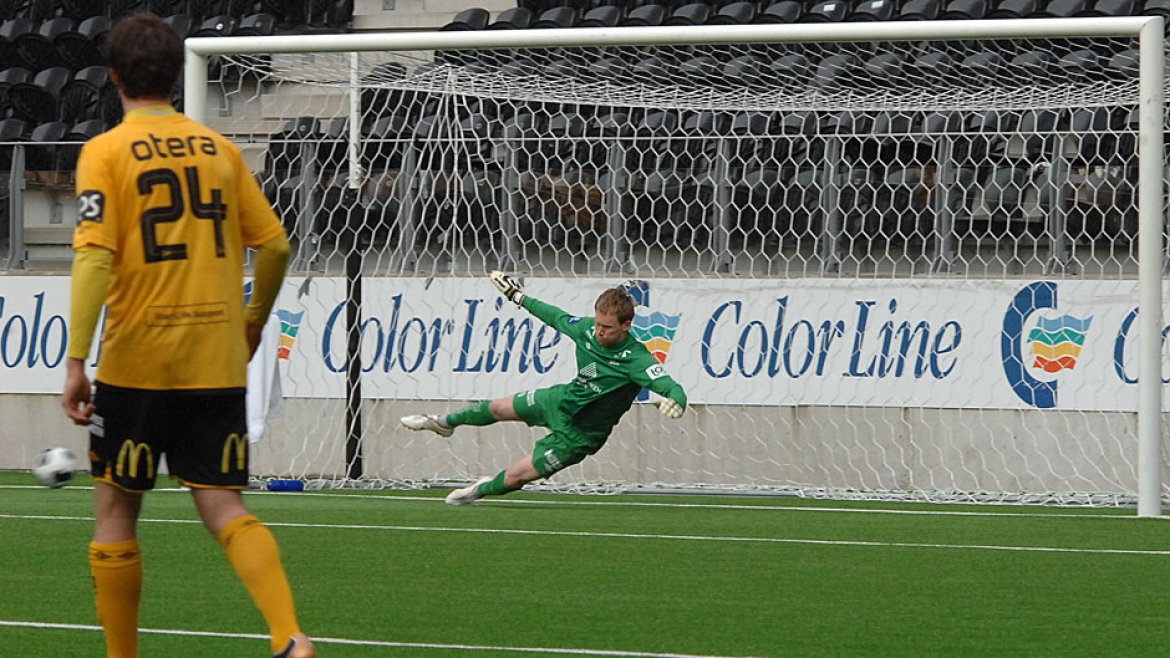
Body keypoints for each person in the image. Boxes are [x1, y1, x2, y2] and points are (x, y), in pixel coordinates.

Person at [59, 13, 314, 658]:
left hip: (137, 360)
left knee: (116, 512)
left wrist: (75, 360)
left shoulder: (106, 153)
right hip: (215, 359)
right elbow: (277, 244)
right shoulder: (220, 151)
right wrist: (253, 323)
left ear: (112, 77)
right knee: (223, 506)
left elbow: (94, 258)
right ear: (175, 77)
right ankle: (289, 635)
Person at [402, 272, 688, 505]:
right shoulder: (587, 330)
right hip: (562, 400)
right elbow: (553, 315)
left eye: (607, 328)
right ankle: (442, 423)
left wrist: (676, 403)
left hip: (579, 435)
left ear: (626, 326)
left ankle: (479, 491)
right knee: (498, 407)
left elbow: (671, 387)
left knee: (516, 477)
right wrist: (517, 295)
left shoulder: (636, 359)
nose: (599, 331)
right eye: (598, 323)